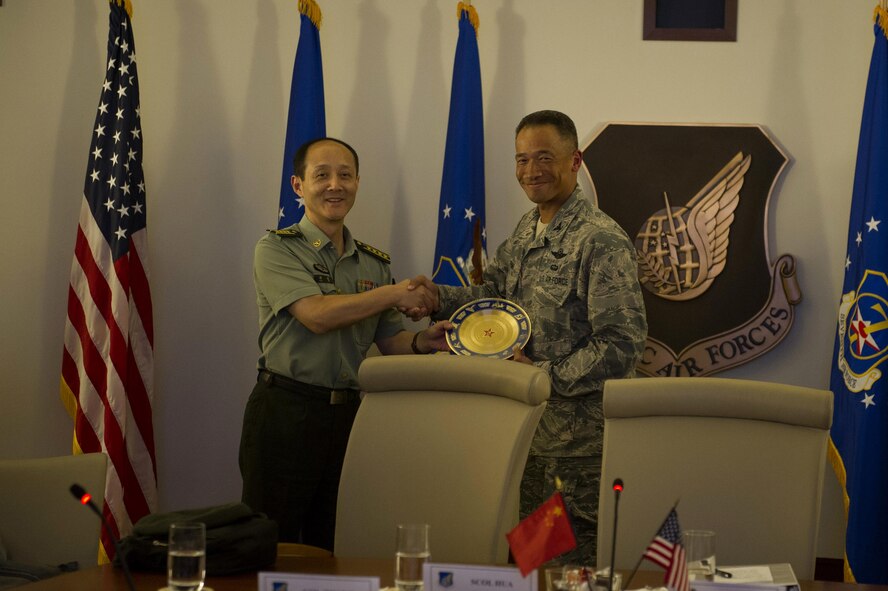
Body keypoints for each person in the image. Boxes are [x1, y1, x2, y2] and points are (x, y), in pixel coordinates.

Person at [408, 110, 647, 564]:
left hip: (576, 453)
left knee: (565, 571)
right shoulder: (526, 229)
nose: (531, 171)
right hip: (523, 437)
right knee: (526, 564)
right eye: (521, 160)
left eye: (544, 157)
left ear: (574, 161)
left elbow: (622, 344)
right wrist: (435, 297)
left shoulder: (600, 240)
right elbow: (493, 298)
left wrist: (542, 376)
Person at [239, 137, 450, 550]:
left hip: (349, 417)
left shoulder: (373, 263)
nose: (335, 185)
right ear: (298, 186)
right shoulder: (276, 250)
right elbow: (317, 315)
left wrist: (426, 340)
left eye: (346, 175)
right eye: (322, 175)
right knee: (270, 544)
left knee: (332, 543)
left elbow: (390, 342)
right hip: (286, 413)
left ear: (357, 183)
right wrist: (394, 293)